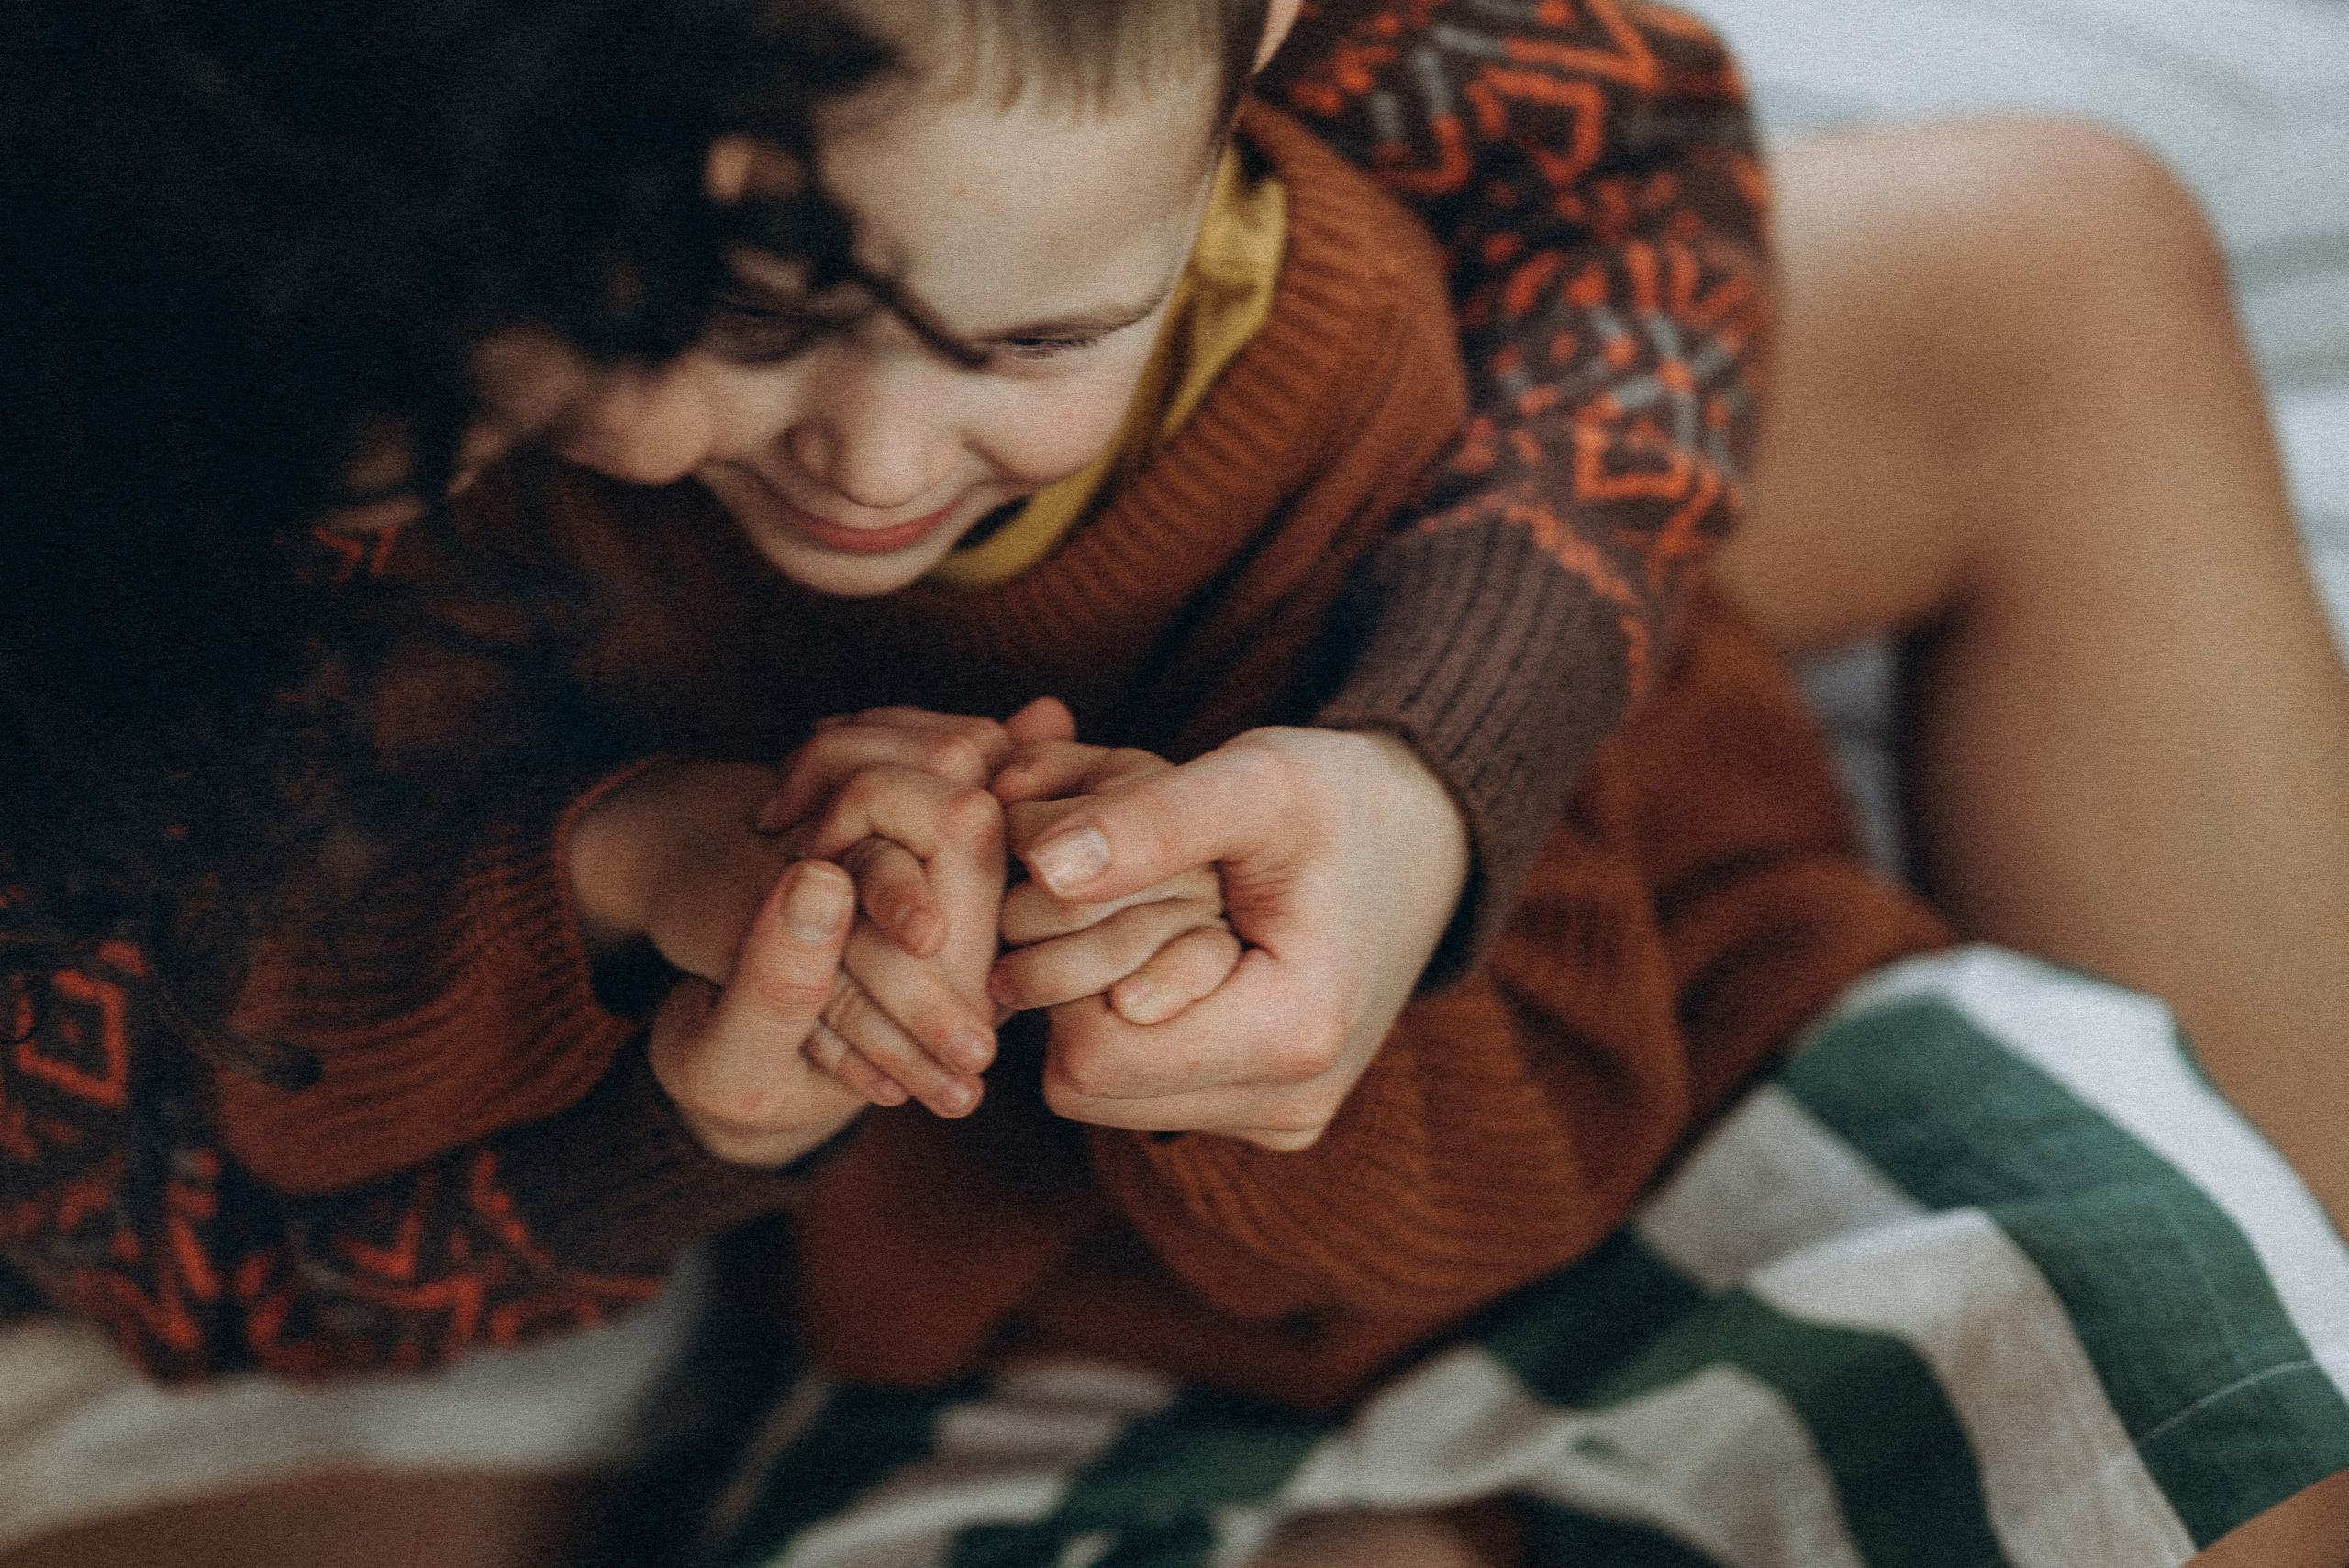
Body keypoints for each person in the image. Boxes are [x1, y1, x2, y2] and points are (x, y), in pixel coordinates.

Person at [4, 4, 2346, 1568]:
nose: (872, 459)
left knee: (2188, 1360)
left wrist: (1426, 780)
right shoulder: (341, 537)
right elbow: (208, 1160)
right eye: (721, 314)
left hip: (1620, 1064)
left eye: (1023, 343)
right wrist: (655, 973)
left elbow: (1628, 182)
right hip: (966, 1325)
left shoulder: (1322, 279)